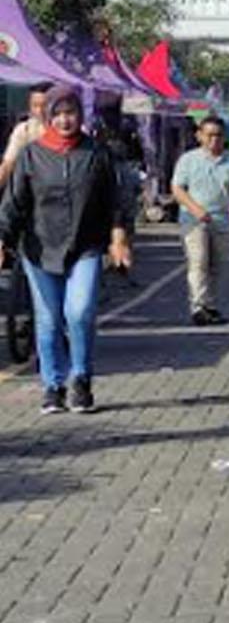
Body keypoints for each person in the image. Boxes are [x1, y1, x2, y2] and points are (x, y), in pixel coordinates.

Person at [0, 86, 134, 414]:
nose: (64, 119)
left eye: (70, 112)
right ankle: (53, 386)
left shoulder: (97, 154)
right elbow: (14, 204)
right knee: (47, 319)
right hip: (39, 249)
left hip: (85, 247)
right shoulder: (31, 155)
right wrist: (2, 239)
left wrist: (118, 240)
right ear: (47, 116)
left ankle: (81, 379)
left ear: (81, 115)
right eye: (57, 113)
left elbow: (116, 202)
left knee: (80, 313)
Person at [170, 115, 229, 326]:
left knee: (217, 265)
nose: (214, 140)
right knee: (198, 261)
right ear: (199, 136)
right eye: (209, 135)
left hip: (223, 221)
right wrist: (195, 208)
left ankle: (210, 305)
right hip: (193, 219)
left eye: (219, 135)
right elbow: (177, 188)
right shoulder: (188, 159)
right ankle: (198, 306)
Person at [0, 83, 52, 185]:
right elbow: (7, 165)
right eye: (35, 105)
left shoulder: (69, 129)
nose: (40, 111)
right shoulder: (24, 130)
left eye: (44, 105)